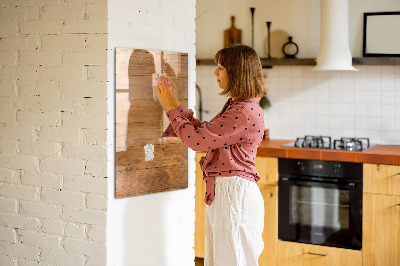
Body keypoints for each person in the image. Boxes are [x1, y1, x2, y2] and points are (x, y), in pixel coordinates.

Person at [153, 44, 266, 266]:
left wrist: (169, 107)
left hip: (234, 195)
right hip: (228, 194)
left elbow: (197, 141)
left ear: (237, 71)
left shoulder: (243, 111)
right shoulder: (239, 106)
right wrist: (175, 104)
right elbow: (205, 134)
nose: (215, 72)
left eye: (221, 67)